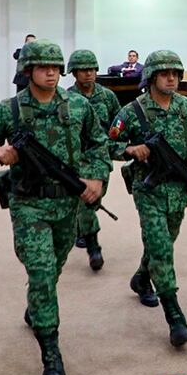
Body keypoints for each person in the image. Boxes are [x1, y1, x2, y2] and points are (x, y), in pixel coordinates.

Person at [0, 40, 110, 375]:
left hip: (67, 205)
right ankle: (51, 355)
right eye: (43, 66)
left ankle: (36, 306)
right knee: (43, 272)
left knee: (55, 267)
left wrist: (96, 178)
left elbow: (98, 144)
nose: (50, 72)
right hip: (28, 204)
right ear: (28, 70)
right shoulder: (10, 110)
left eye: (55, 67)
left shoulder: (78, 106)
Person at [108, 51, 187, 348]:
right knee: (161, 248)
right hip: (148, 189)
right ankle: (175, 316)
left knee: (164, 241)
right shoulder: (132, 111)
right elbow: (106, 144)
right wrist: (130, 150)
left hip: (179, 190)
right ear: (151, 77)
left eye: (176, 74)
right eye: (165, 74)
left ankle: (142, 278)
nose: (172, 78)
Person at [66, 50, 121, 271]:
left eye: (91, 69)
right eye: (83, 70)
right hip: (76, 160)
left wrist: (119, 143)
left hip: (100, 157)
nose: (88, 73)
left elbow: (119, 123)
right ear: (74, 72)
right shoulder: (66, 99)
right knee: (86, 201)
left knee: (94, 199)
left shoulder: (107, 97)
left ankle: (82, 227)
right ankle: (93, 247)